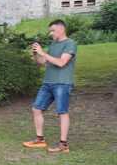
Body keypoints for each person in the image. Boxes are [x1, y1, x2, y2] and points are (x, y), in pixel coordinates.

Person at [23, 19, 77, 154]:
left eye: (53, 30)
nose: (50, 33)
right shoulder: (53, 45)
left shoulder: (70, 43)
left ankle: (63, 145)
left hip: (62, 83)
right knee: (36, 109)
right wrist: (36, 54)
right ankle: (40, 140)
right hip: (47, 83)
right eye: (50, 31)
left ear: (61, 29)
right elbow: (43, 62)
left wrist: (43, 53)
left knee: (62, 112)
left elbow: (61, 62)